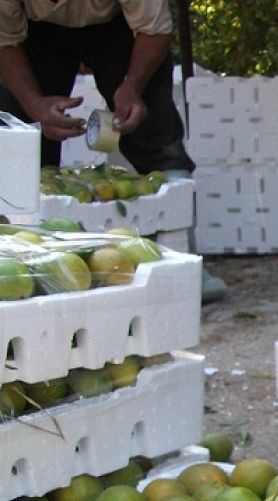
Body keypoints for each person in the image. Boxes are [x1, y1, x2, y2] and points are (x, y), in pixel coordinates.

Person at [0, 0, 228, 302]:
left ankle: (187, 262)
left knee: (156, 134)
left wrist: (132, 86)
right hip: (36, 35)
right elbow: (5, 40)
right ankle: (23, 269)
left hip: (120, 27)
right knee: (23, 141)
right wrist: (33, 103)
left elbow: (155, 28)